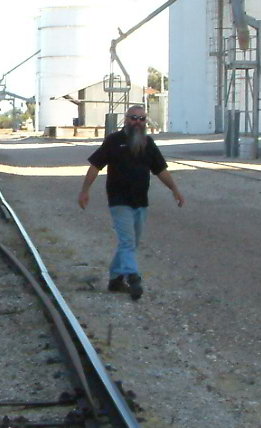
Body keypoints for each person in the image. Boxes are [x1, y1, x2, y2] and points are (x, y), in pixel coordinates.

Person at [77, 106, 184, 300]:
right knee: (127, 241)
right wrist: (85, 191)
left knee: (131, 243)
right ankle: (134, 277)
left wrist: (175, 190)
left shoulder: (148, 143)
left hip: (141, 201)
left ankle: (115, 279)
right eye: (134, 118)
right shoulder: (114, 141)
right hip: (119, 200)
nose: (138, 122)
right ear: (126, 119)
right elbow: (95, 166)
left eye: (142, 119)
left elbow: (161, 170)